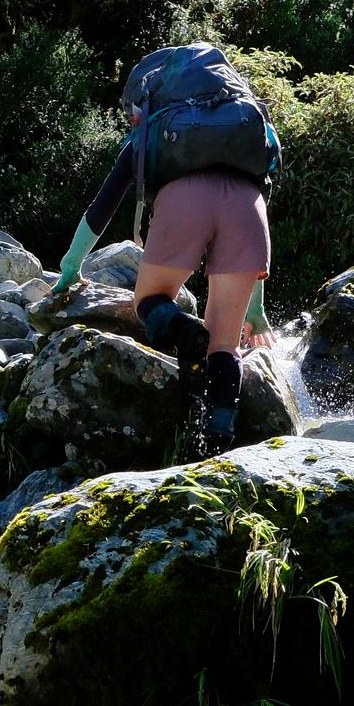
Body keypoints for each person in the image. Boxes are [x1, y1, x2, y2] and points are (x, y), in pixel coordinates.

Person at [50, 44, 279, 446]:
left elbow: (103, 206)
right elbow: (253, 204)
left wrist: (71, 266)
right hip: (249, 209)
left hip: (183, 203)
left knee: (149, 301)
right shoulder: (243, 123)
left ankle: (184, 329)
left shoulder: (153, 130)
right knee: (225, 345)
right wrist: (255, 309)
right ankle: (218, 439)